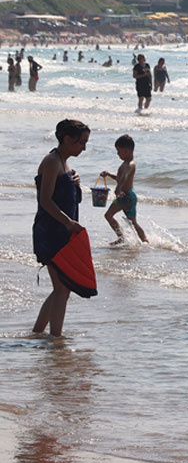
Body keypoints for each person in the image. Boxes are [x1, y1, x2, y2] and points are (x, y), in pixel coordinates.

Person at [32, 119, 91, 337]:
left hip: (65, 233)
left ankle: (39, 332)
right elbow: (45, 200)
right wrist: (67, 222)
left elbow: (71, 200)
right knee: (62, 288)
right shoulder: (51, 161)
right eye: (81, 142)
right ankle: (55, 338)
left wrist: (76, 184)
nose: (84, 147)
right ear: (67, 139)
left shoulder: (66, 165)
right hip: (50, 232)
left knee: (62, 288)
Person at [100, 134, 148, 245]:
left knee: (108, 215)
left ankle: (122, 237)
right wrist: (109, 175)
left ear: (126, 151)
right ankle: (145, 241)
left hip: (125, 196)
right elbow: (120, 178)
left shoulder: (130, 164)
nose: (117, 154)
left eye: (118, 151)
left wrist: (118, 188)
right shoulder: (126, 163)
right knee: (133, 222)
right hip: (128, 196)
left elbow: (124, 177)